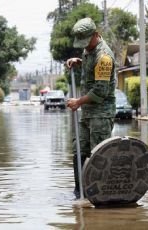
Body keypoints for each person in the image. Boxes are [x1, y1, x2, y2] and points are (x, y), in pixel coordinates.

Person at [65, 17, 117, 198]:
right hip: (87, 114)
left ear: (96, 35)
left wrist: (78, 102)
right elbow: (90, 66)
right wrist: (79, 61)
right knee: (79, 150)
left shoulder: (104, 57)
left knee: (98, 156)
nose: (84, 46)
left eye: (87, 42)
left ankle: (100, 195)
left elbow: (100, 92)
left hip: (101, 116)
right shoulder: (89, 50)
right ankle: (80, 192)